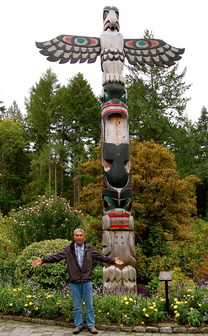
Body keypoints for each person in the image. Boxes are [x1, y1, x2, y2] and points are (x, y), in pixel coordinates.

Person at [32, 228, 124, 334]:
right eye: (77, 235)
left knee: (89, 304)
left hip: (87, 280)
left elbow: (100, 257)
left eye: (81, 235)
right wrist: (43, 260)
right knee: (77, 305)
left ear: (84, 236)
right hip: (74, 280)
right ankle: (78, 325)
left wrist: (113, 260)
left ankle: (91, 325)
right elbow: (56, 257)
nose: (79, 237)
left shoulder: (89, 247)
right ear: (74, 236)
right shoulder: (68, 249)